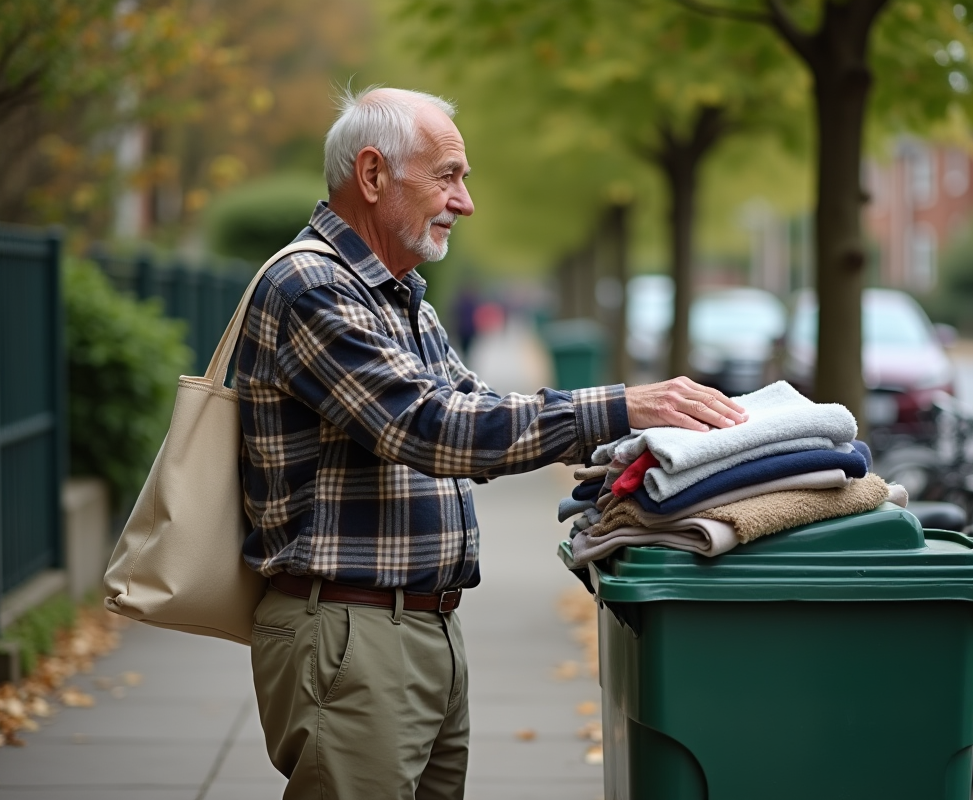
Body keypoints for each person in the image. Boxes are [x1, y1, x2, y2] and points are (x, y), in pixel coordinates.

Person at [235, 85, 747, 800]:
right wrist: (622, 406)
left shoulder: (397, 294)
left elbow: (478, 412)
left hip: (418, 627)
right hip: (353, 633)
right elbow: (433, 427)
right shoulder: (310, 286)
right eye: (447, 176)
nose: (465, 201)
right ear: (373, 174)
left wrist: (658, 448)